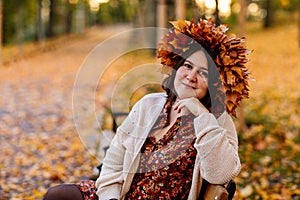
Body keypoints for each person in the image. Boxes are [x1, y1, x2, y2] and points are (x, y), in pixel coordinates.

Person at [44, 18, 251, 200]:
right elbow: (114, 162)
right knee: (57, 195)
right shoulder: (149, 104)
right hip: (121, 195)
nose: (191, 76)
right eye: (187, 66)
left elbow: (221, 174)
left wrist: (201, 113)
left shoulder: (217, 122)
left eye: (203, 73)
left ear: (215, 85)